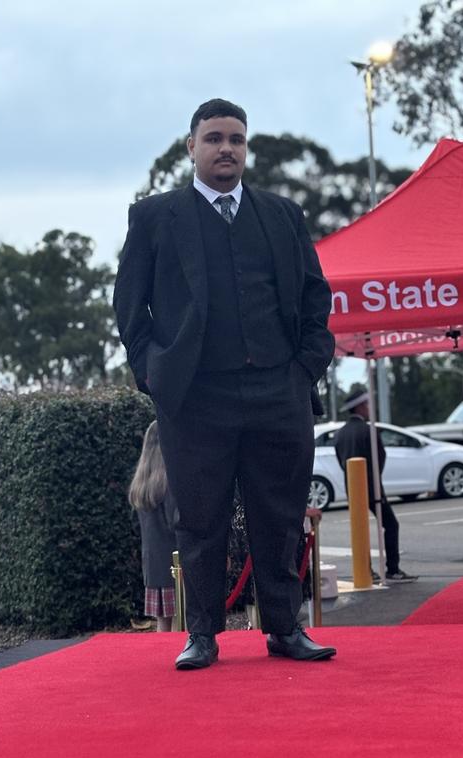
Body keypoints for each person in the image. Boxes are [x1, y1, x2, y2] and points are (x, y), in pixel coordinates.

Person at [114, 97, 336, 669]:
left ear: (246, 148)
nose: (226, 149)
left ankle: (285, 630)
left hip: (277, 392)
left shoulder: (283, 215)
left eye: (236, 139)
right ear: (192, 147)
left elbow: (315, 296)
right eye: (213, 138)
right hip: (195, 397)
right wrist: (153, 374)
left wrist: (305, 366)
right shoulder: (155, 217)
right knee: (200, 519)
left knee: (280, 517)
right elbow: (128, 308)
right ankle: (203, 635)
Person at [334, 384, 418, 584]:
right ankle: (393, 569)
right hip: (372, 488)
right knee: (390, 524)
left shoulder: (341, 433)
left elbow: (340, 458)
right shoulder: (369, 430)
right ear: (361, 407)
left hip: (352, 486)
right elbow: (380, 458)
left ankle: (365, 569)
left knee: (360, 529)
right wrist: (375, 478)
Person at [128, 421, 178, 632]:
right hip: (173, 564)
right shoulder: (168, 481)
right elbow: (175, 522)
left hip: (152, 564)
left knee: (162, 623)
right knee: (179, 622)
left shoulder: (140, 484)